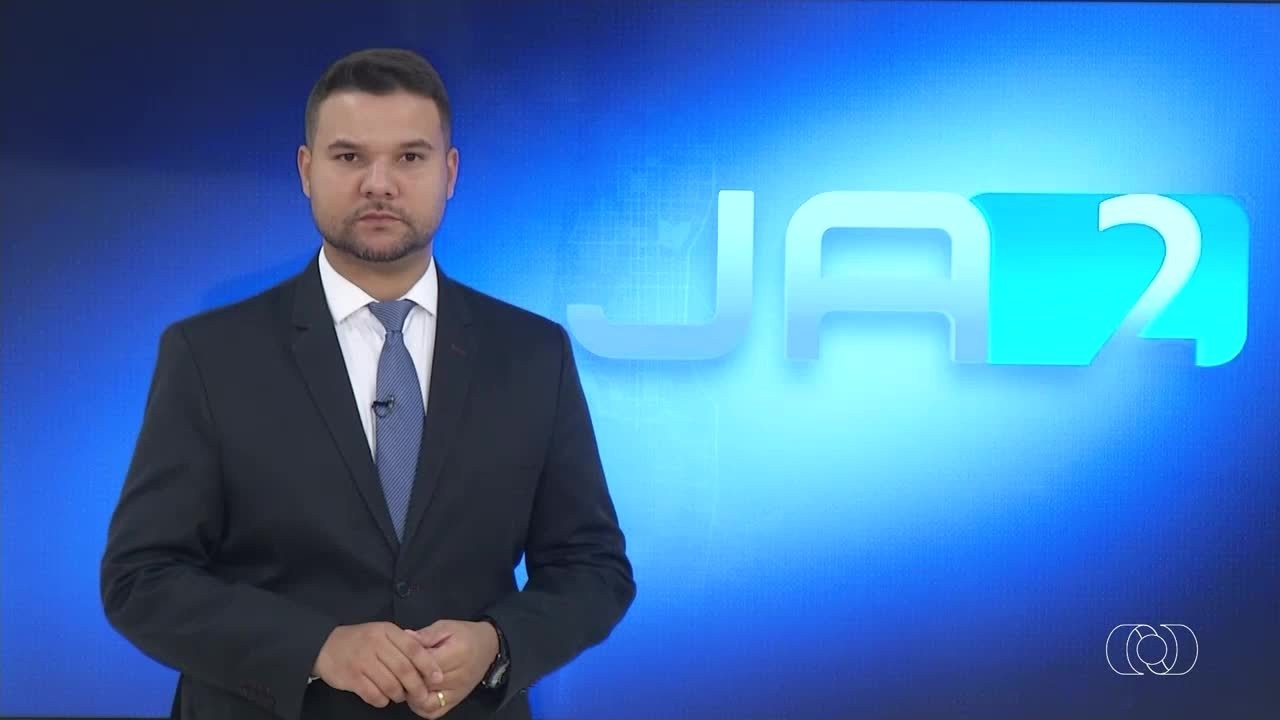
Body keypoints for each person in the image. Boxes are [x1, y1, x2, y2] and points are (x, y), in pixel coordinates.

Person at [100, 48, 636, 720]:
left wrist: (498, 645)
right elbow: (141, 579)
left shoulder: (533, 355)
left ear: (449, 172)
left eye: (409, 157)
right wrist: (317, 648)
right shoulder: (209, 355)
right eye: (349, 156)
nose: (378, 184)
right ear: (306, 170)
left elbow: (593, 568)